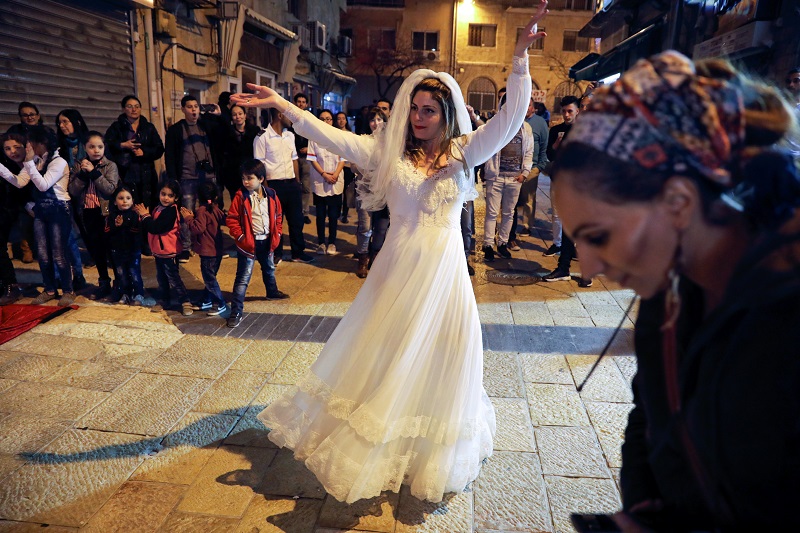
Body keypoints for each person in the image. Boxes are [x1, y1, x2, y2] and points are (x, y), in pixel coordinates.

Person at [231, 2, 543, 503]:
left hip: (444, 274)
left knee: (443, 354)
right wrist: (283, 106)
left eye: (429, 110)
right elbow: (327, 134)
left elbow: (509, 120)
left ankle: (427, 452)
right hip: (397, 270)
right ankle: (377, 440)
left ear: (446, 115)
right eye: (414, 108)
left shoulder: (466, 153)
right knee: (387, 354)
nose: (418, 118)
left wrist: (520, 55)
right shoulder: (385, 152)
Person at [550, 50, 800, 530]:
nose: (589, 265)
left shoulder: (785, 312)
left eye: (598, 235)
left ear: (679, 201)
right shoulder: (668, 293)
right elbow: (650, 418)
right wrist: (644, 512)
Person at [14, 126, 76, 305]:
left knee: (59, 252)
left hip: (59, 208)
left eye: (31, 142)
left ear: (43, 143)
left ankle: (68, 290)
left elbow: (43, 185)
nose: (29, 146)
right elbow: (19, 182)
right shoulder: (36, 160)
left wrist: (28, 163)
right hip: (41, 210)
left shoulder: (59, 162)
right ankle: (49, 289)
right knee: (42, 253)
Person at [226, 159, 288, 328]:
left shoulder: (272, 195)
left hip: (267, 240)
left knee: (269, 268)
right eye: (244, 178)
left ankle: (272, 292)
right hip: (248, 244)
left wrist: (278, 233)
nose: (246, 182)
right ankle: (236, 310)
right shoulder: (241, 197)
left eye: (250, 178)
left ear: (261, 179)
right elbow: (232, 219)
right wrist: (240, 238)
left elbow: (278, 216)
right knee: (243, 278)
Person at [165, 95, 223, 263]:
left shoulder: (206, 126)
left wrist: (218, 116)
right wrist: (173, 179)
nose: (193, 110)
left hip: (208, 176)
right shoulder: (176, 130)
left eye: (196, 106)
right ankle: (185, 247)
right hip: (187, 177)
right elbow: (170, 156)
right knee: (187, 213)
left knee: (212, 212)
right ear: (182, 109)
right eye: (189, 107)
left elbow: (222, 132)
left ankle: (212, 243)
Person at [542, 95, 592, 287]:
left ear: (577, 111)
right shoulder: (560, 131)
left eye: (570, 110)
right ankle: (564, 268)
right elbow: (552, 156)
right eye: (564, 111)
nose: (566, 114)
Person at [253, 107, 314, 263]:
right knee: (275, 221)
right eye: (288, 116)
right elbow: (259, 165)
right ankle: (276, 253)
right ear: (279, 116)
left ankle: (298, 252)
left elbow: (294, 159)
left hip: (291, 184)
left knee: (296, 220)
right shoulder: (262, 137)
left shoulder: (289, 136)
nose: (291, 119)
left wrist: (297, 182)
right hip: (273, 185)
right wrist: (265, 189)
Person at [67, 131, 119, 300]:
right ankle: (103, 282)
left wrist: (94, 173)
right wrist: (83, 173)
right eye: (92, 146)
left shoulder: (110, 166)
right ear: (85, 148)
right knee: (97, 250)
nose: (96, 150)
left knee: (112, 249)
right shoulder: (78, 166)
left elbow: (110, 189)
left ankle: (120, 283)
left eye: (100, 146)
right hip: (88, 213)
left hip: (106, 213)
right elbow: (73, 191)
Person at [482, 94, 534, 261]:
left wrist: (525, 173)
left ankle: (503, 243)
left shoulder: (525, 128)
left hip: (514, 179)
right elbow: (484, 144)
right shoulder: (494, 126)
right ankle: (488, 244)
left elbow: (528, 152)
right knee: (491, 213)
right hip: (496, 177)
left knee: (508, 213)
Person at [134, 180, 193, 316]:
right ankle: (165, 300)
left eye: (170, 195)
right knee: (161, 277)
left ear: (176, 198)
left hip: (169, 251)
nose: (166, 198)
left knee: (174, 278)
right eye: (163, 194)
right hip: (159, 252)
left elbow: (156, 228)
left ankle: (185, 301)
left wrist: (145, 216)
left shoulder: (171, 211)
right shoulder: (158, 208)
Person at [105, 95, 165, 214]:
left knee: (148, 208)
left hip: (146, 175)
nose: (134, 109)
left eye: (137, 107)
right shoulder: (116, 127)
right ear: (123, 109)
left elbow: (159, 148)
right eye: (130, 106)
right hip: (125, 173)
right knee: (128, 209)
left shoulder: (148, 127)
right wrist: (123, 145)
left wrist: (144, 152)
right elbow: (108, 145)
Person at [54, 109, 88, 292]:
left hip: (86, 196)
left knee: (87, 235)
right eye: (59, 122)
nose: (62, 125)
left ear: (77, 121)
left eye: (65, 121)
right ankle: (73, 275)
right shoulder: (58, 146)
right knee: (68, 238)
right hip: (64, 196)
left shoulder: (88, 142)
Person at [182, 182, 227, 316]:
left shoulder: (202, 210)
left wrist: (189, 218)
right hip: (217, 250)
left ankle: (219, 303)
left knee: (209, 279)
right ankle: (206, 300)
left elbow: (198, 228)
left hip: (208, 252)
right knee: (211, 277)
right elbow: (224, 220)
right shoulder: (216, 208)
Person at [351, 107, 387, 278]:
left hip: (384, 191)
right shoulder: (362, 140)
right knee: (365, 227)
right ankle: (362, 257)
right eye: (373, 120)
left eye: (380, 119)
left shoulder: (390, 141)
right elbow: (353, 165)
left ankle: (376, 257)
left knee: (381, 228)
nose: (376, 123)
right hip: (365, 190)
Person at [509, 97, 549, 247]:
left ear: (534, 108)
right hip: (515, 167)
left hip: (532, 168)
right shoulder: (515, 121)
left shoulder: (540, 123)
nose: (526, 109)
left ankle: (526, 226)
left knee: (528, 199)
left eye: (529, 106)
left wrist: (540, 166)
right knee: (511, 199)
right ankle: (509, 228)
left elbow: (544, 146)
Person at [105, 185, 152, 306]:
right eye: (121, 198)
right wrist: (116, 225)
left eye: (128, 198)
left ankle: (139, 294)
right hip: (118, 251)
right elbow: (108, 232)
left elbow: (136, 231)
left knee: (134, 273)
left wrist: (124, 224)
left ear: (132, 201)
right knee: (121, 274)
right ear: (115, 202)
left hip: (132, 250)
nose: (125, 201)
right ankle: (125, 293)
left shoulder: (135, 215)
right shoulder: (111, 216)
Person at [309, 110, 346, 255]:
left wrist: (335, 174)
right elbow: (312, 159)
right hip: (320, 179)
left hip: (335, 180)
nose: (325, 122)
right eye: (322, 119)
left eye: (328, 119)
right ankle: (320, 243)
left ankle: (332, 242)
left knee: (333, 214)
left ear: (332, 121)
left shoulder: (338, 137)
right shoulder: (313, 138)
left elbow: (342, 159)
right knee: (320, 214)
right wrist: (324, 174)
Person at [0, 133, 29, 304]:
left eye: (16, 147)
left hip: (15, 212)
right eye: (7, 148)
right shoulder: (5, 164)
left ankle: (11, 286)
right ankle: (7, 284)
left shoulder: (29, 164)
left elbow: (19, 187)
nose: (12, 151)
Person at [221, 104, 261, 205]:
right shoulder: (227, 132)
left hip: (251, 172)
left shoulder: (254, 131)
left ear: (245, 115)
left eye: (240, 113)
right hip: (233, 174)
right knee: (237, 202)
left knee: (252, 202)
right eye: (234, 115)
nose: (238, 117)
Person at [291, 93, 313, 224]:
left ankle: (305, 212)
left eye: (303, 102)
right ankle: (295, 211)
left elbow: (315, 138)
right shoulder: (290, 119)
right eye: (298, 101)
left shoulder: (310, 120)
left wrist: (309, 149)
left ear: (306, 104)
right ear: (294, 103)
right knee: (294, 185)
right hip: (292, 157)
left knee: (305, 186)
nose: (301, 104)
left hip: (305, 157)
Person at [335, 111, 356, 223]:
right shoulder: (333, 133)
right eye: (339, 118)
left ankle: (345, 214)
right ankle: (337, 212)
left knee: (347, 192)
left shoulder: (351, 134)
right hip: (336, 166)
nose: (341, 120)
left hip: (347, 166)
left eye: (343, 118)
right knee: (338, 191)